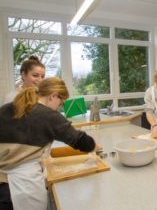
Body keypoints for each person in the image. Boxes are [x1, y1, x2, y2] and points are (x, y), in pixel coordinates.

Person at [0, 77, 102, 210]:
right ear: (53, 96)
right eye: (60, 104)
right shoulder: (47, 115)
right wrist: (95, 146)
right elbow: (78, 139)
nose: (58, 109)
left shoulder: (8, 107)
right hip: (22, 187)